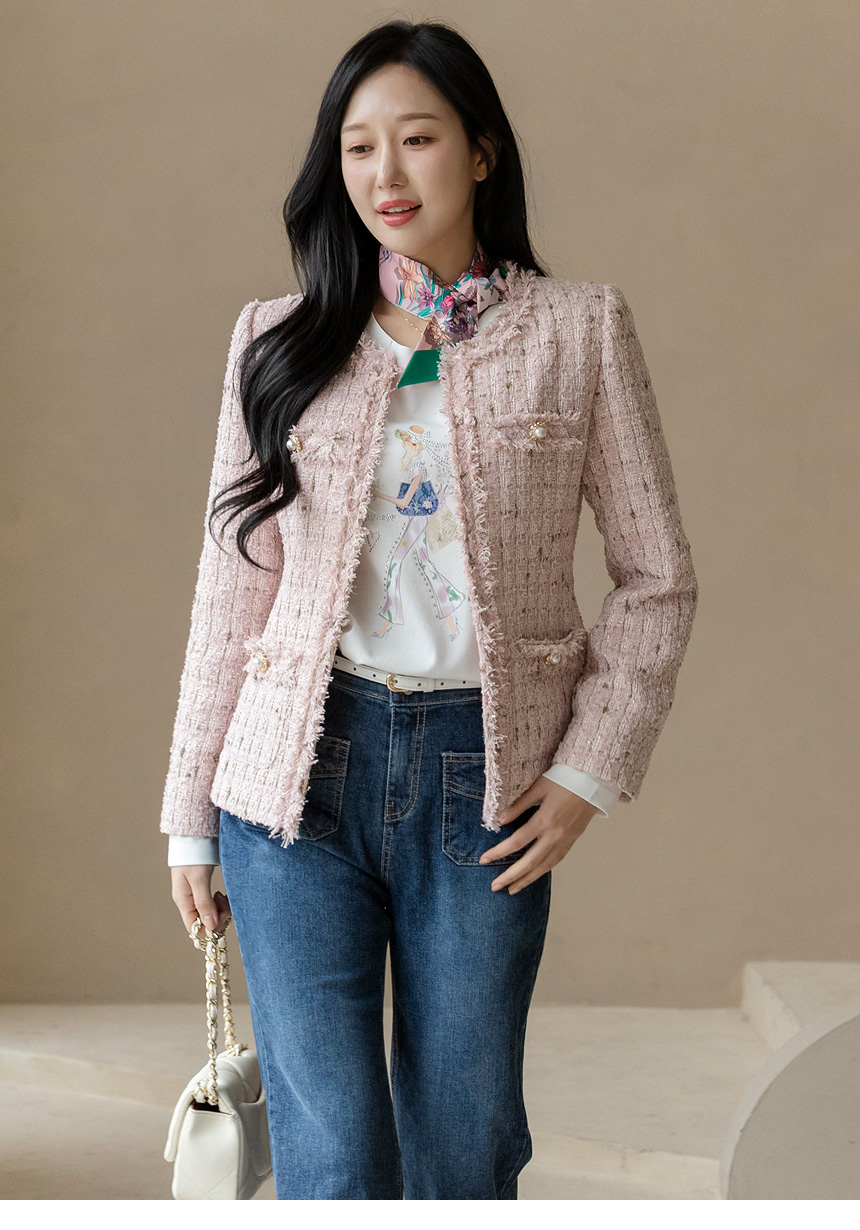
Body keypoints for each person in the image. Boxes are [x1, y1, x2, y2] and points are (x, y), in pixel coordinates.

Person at [161, 19, 698, 1200]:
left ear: (481, 152)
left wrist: (587, 771)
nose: (385, 174)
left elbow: (656, 576)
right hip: (294, 776)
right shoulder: (275, 340)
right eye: (357, 147)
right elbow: (232, 589)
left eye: (416, 138)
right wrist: (189, 817)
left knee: (464, 1147)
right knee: (332, 1158)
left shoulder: (577, 330)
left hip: (481, 775)